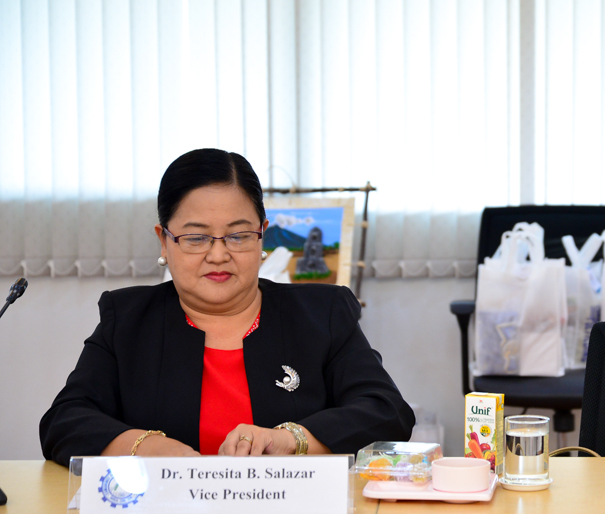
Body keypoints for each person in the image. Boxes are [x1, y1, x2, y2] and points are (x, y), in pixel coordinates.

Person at [40, 149, 414, 466]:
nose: (218, 255)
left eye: (238, 235)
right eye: (196, 238)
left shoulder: (322, 312)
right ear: (164, 241)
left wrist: (291, 440)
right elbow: (64, 422)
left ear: (262, 234)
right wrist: (145, 447)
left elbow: (387, 412)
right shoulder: (128, 318)